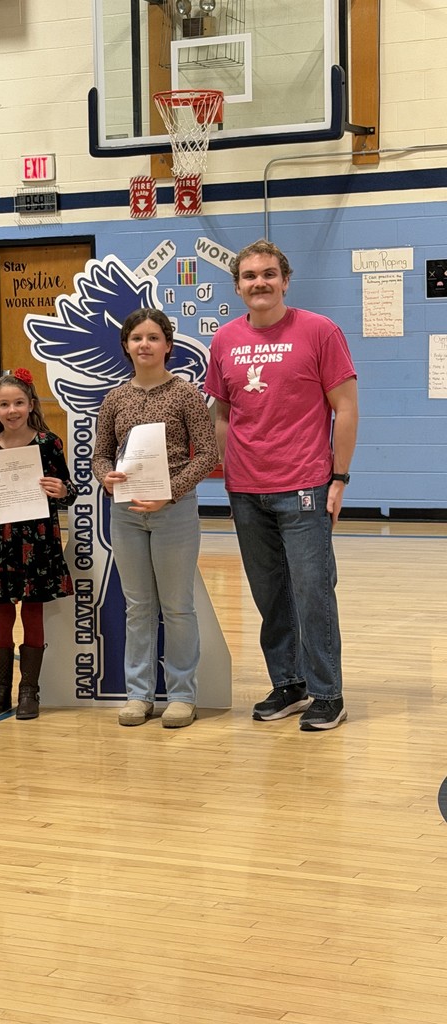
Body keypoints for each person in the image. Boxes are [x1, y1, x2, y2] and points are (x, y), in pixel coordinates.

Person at [204, 239, 358, 732]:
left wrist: (339, 478)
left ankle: (328, 693)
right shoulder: (225, 339)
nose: (260, 283)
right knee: (269, 594)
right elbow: (222, 413)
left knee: (314, 593)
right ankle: (289, 683)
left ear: (285, 280)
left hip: (305, 486)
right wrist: (228, 477)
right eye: (250, 276)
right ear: (238, 286)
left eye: (269, 274)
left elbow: (346, 409)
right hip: (247, 491)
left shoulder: (319, 331)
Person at [92, 308, 219, 729]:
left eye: (152, 337)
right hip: (126, 512)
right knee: (138, 607)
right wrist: (105, 477)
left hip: (174, 512)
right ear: (126, 346)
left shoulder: (185, 395)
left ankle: (182, 694)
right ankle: (139, 694)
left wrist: (170, 492)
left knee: (177, 606)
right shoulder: (115, 398)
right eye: (136, 338)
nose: (144, 344)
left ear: (167, 345)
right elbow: (101, 453)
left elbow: (207, 455)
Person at [0, 368, 77, 720]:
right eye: (4, 404)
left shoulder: (48, 443)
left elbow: (69, 490)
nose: (12, 410)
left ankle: (29, 690)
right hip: (0, 544)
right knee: (1, 614)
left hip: (39, 541)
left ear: (31, 404)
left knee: (33, 612)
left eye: (18, 402)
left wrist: (62, 491)